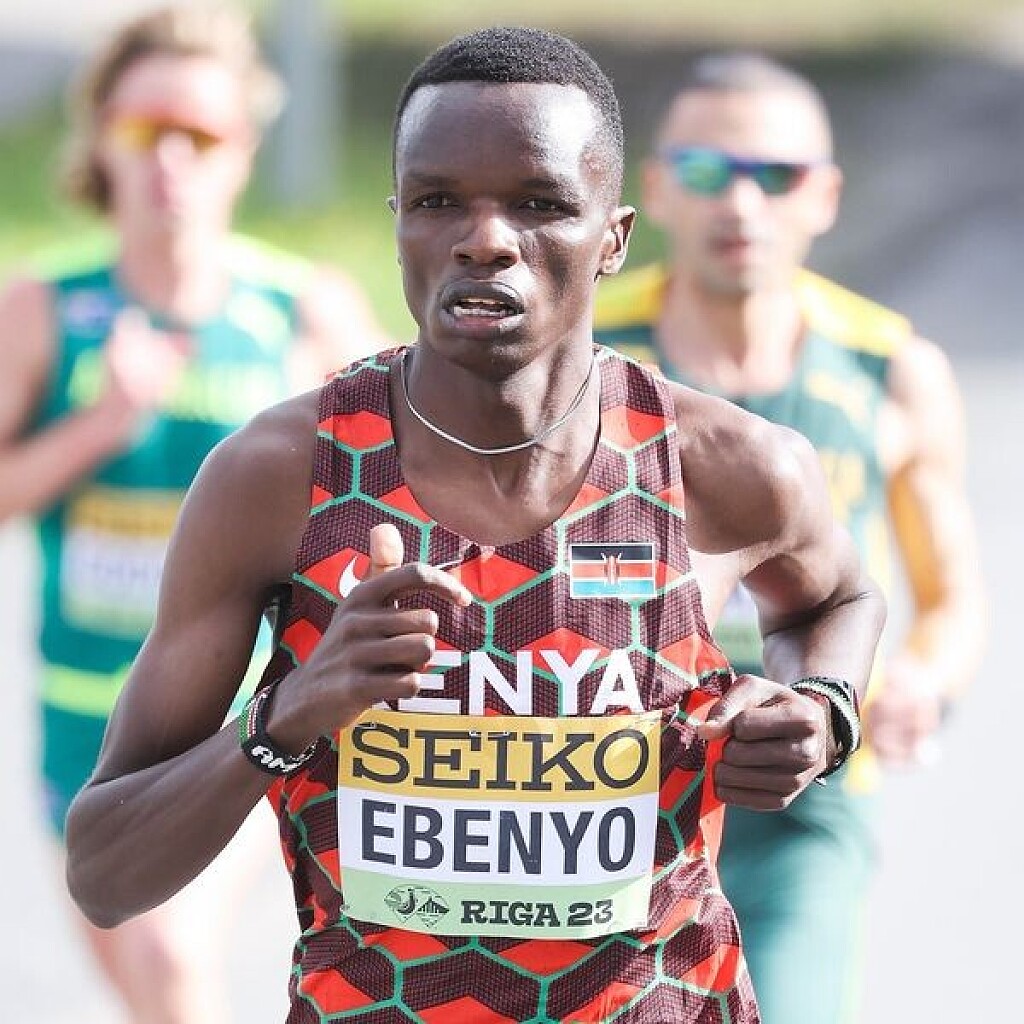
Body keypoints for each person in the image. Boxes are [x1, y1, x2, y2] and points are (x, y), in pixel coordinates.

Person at [65, 27, 885, 1024]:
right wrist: (287, 715)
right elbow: (106, 873)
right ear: (399, 223)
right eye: (437, 201)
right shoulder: (277, 476)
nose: (485, 239)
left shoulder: (721, 466)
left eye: (539, 204)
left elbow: (841, 595)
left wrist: (825, 706)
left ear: (615, 237)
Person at [0, 5, 387, 1022]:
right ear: (103, 142)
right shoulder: (44, 307)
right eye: (144, 129)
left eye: (200, 135)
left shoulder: (301, 312)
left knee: (168, 956)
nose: (170, 159)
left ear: (242, 151)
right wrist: (98, 425)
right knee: (148, 980)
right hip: (86, 719)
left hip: (242, 709)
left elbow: (401, 495)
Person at [593, 53, 985, 1024]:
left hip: (809, 789)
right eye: (705, 171)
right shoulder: (585, 355)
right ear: (655, 191)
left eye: (776, 175)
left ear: (825, 196)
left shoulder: (889, 369)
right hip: (618, 776)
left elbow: (949, 597)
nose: (740, 204)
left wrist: (920, 685)